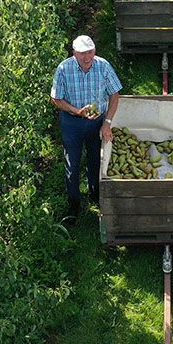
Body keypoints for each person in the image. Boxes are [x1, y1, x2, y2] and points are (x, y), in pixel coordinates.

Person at [50, 35, 122, 222]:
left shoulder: (103, 66)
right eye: (82, 53)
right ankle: (73, 204)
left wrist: (107, 123)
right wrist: (77, 111)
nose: (87, 57)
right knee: (72, 164)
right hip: (72, 122)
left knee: (95, 160)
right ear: (74, 53)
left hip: (96, 122)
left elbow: (114, 95)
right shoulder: (64, 69)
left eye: (90, 52)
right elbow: (56, 99)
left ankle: (95, 195)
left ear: (94, 51)